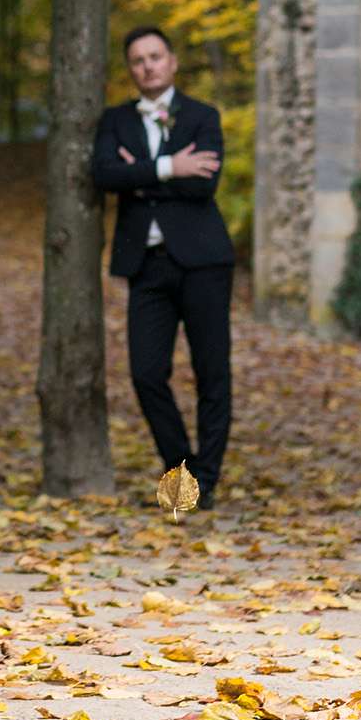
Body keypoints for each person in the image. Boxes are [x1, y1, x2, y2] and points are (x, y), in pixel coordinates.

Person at [91, 26, 235, 508]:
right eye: (138, 60)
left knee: (212, 371)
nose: (147, 66)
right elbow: (105, 174)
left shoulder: (202, 116)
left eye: (155, 56)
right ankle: (183, 471)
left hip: (204, 262)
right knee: (146, 373)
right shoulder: (115, 120)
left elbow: (204, 184)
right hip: (146, 266)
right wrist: (170, 167)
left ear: (172, 62)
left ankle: (206, 481)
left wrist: (139, 174)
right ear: (131, 70)